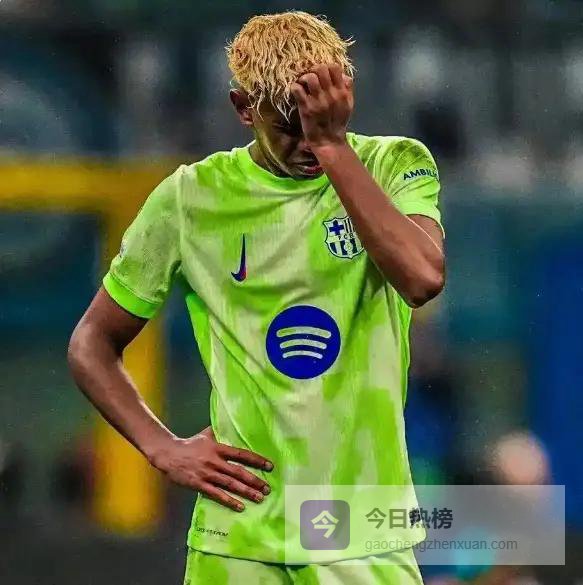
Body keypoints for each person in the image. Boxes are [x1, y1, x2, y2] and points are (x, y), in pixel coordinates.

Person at [68, 11, 445, 585]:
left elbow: (422, 278)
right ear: (243, 108)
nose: (307, 143)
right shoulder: (190, 199)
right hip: (239, 535)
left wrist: (334, 146)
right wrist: (161, 447)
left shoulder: (394, 164)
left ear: (343, 97)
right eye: (289, 126)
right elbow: (92, 342)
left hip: (360, 534)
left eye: (319, 121)